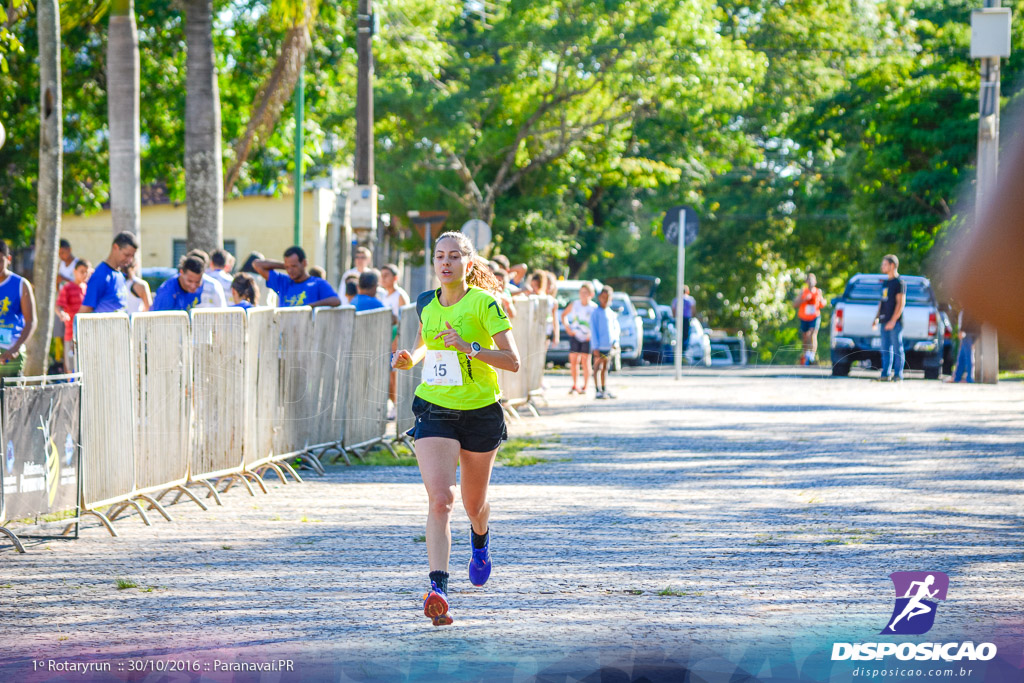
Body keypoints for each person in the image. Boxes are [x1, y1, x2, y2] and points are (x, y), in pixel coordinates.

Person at [391, 230, 520, 627]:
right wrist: (409, 358)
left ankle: (480, 542)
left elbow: (513, 360)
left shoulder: (485, 304)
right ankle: (438, 590)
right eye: (439, 256)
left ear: (467, 261)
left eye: (453, 256)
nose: (445, 262)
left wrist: (471, 348)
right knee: (440, 499)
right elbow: (423, 344)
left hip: (481, 411)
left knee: (473, 504)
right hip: (436, 407)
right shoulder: (426, 302)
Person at [253, 246, 341, 308]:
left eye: (294, 266)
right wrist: (286, 265)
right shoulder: (282, 282)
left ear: (304, 263)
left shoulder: (318, 283)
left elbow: (336, 301)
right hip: (285, 332)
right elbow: (256, 264)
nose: (290, 270)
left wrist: (310, 307)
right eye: (287, 267)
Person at [0, 240, 37, 378]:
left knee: (10, 398)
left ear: (8, 259)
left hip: (11, 353)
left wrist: (15, 348)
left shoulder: (21, 284)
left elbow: (31, 321)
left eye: (0, 261)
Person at [79, 231, 138, 314]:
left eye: (132, 256)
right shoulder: (101, 276)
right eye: (126, 255)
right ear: (115, 247)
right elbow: (85, 311)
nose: (130, 260)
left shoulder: (120, 275)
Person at [873, 254, 906, 382]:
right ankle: (885, 374)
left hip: (895, 323)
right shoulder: (885, 283)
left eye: (885, 264)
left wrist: (893, 320)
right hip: (883, 320)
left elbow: (900, 303)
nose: (883, 266)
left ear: (892, 266)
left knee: (898, 348)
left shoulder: (899, 283)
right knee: (885, 349)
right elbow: (882, 301)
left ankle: (898, 375)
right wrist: (876, 318)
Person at [561, 282, 597, 395]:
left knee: (585, 361)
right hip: (575, 334)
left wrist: (592, 335)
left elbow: (596, 323)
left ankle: (585, 386)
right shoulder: (575, 304)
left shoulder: (593, 307)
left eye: (586, 293)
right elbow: (564, 315)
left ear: (591, 294)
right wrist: (567, 328)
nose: (583, 295)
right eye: (581, 292)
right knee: (573, 360)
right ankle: (575, 384)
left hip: (587, 336)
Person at [56, 259, 90, 372]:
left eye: (86, 272)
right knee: (70, 366)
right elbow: (58, 306)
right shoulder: (68, 287)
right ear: (75, 272)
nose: (84, 274)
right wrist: (62, 314)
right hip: (71, 332)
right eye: (82, 271)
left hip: (87, 333)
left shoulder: (89, 288)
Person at [590, 285, 620, 399]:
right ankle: (597, 390)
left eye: (607, 298)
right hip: (598, 346)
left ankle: (604, 388)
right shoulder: (595, 313)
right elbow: (593, 330)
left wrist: (615, 341)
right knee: (597, 367)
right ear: (599, 297)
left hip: (608, 345)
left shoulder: (611, 313)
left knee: (605, 368)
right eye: (603, 297)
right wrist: (595, 346)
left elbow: (615, 328)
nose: (605, 300)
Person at [793, 274, 827, 366]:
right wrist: (804, 299)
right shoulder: (803, 292)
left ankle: (811, 355)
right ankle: (806, 355)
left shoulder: (818, 292)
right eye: (809, 280)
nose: (811, 282)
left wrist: (821, 300)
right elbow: (795, 304)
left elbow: (823, 304)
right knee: (805, 336)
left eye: (812, 280)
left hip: (814, 316)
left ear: (815, 282)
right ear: (806, 282)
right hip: (804, 317)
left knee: (813, 333)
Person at [949, 310, 979, 383]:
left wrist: (961, 330)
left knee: (969, 355)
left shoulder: (968, 307)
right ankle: (957, 377)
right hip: (975, 332)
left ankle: (970, 378)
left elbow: (966, 318)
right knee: (962, 355)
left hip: (967, 332)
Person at [672, 285, 697, 354]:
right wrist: (693, 317)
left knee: (679, 334)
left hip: (678, 319)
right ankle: (684, 350)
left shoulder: (676, 299)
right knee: (686, 335)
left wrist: (674, 317)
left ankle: (679, 349)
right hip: (686, 319)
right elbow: (693, 310)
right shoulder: (690, 299)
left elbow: (673, 310)